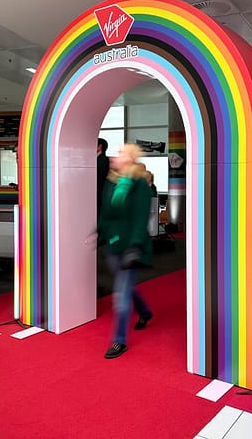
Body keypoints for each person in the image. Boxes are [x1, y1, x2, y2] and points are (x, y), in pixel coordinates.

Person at [98, 143, 153, 359]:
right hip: (114, 244)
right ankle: (146, 312)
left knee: (120, 293)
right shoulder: (111, 183)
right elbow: (106, 213)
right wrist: (99, 231)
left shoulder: (140, 184)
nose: (116, 156)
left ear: (130, 159)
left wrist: (135, 245)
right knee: (126, 286)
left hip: (133, 247)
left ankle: (119, 341)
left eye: (121, 153)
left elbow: (141, 218)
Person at [97, 138, 110, 215]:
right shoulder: (97, 159)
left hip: (100, 191)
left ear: (100, 146)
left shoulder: (103, 160)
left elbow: (100, 176)